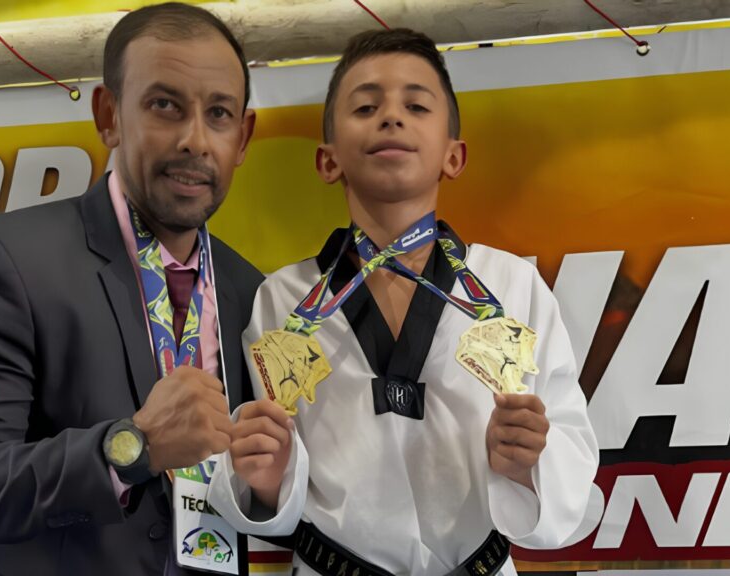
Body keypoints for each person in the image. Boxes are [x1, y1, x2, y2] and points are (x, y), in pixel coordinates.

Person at [209, 28, 599, 576]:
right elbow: (266, 488)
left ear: (453, 155)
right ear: (328, 160)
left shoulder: (512, 287)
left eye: (416, 105)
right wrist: (269, 480)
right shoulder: (283, 300)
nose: (391, 117)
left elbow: (572, 455)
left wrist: (530, 464)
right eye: (366, 106)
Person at [0, 4, 262, 575]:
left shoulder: (253, 294)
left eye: (218, 113)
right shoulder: (7, 256)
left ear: (242, 137)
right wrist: (134, 446)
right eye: (165, 105)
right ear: (109, 115)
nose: (196, 140)